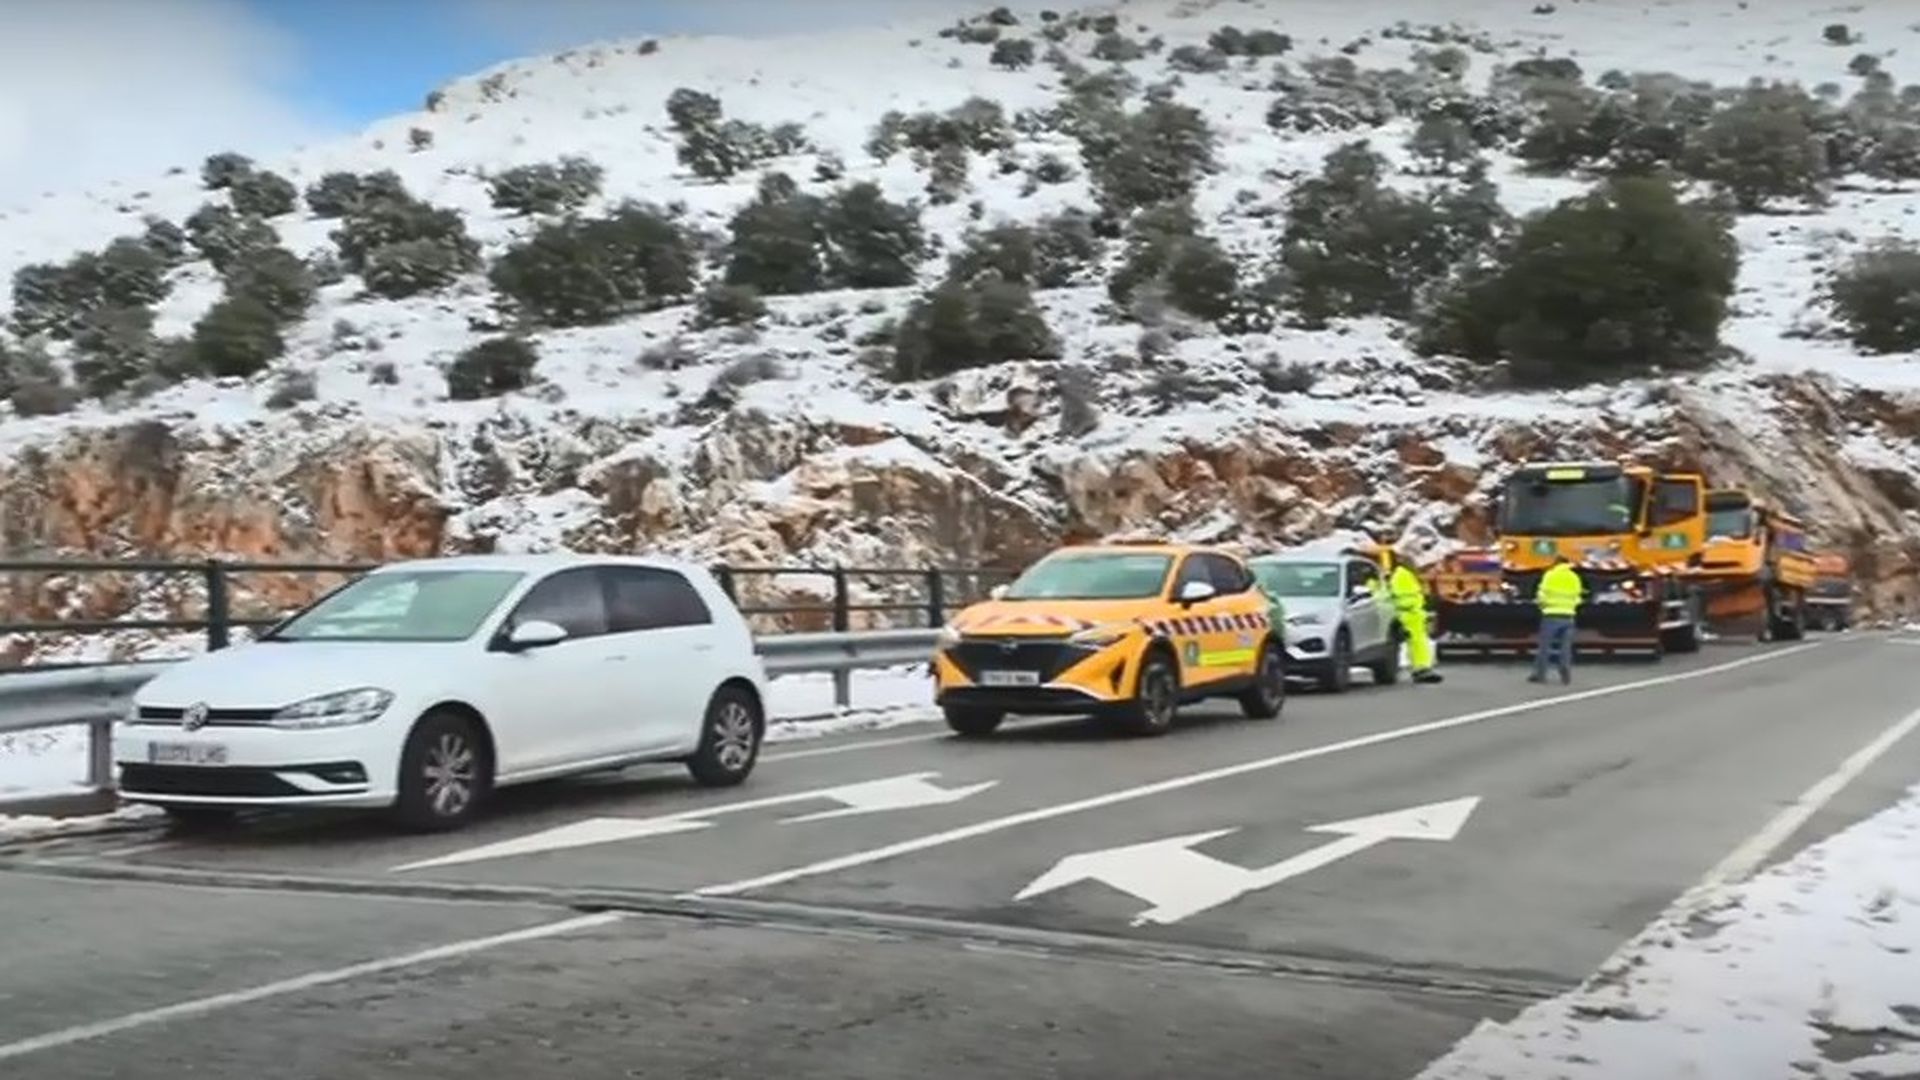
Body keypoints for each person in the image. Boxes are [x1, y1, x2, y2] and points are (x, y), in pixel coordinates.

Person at [1383, 547, 1443, 685]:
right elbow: (1402, 597)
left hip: (1410, 614)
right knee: (1416, 642)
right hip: (1408, 614)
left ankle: (1420, 669)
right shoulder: (1402, 574)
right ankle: (1421, 669)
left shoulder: (1403, 574)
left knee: (1416, 642)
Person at [1530, 554, 1584, 685]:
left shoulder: (1550, 575)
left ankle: (1540, 674)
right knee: (1565, 648)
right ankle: (1565, 674)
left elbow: (1542, 594)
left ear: (1556, 563)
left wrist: (1542, 606)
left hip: (1551, 615)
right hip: (1569, 616)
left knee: (1545, 646)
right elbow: (1578, 597)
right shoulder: (1574, 577)